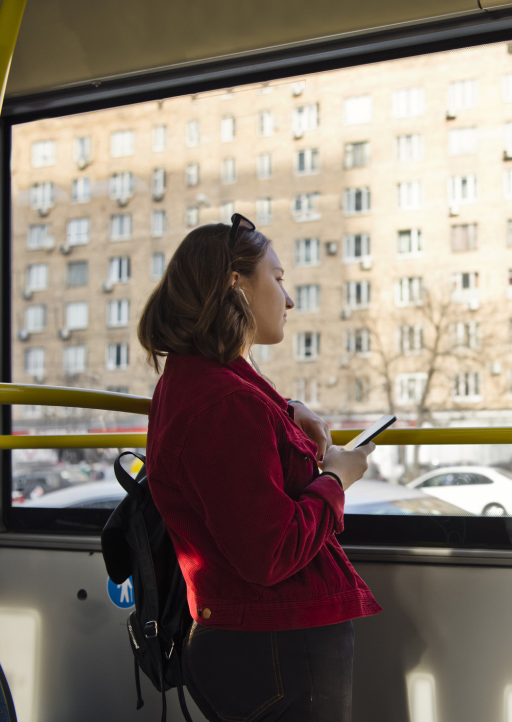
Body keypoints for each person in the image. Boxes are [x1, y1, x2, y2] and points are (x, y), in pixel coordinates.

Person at [137, 215, 381, 722]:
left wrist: (289, 409)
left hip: (260, 643)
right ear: (236, 285)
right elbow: (271, 552)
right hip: (278, 646)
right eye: (278, 278)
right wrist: (336, 479)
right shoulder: (222, 401)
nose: (288, 300)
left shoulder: (201, 379)